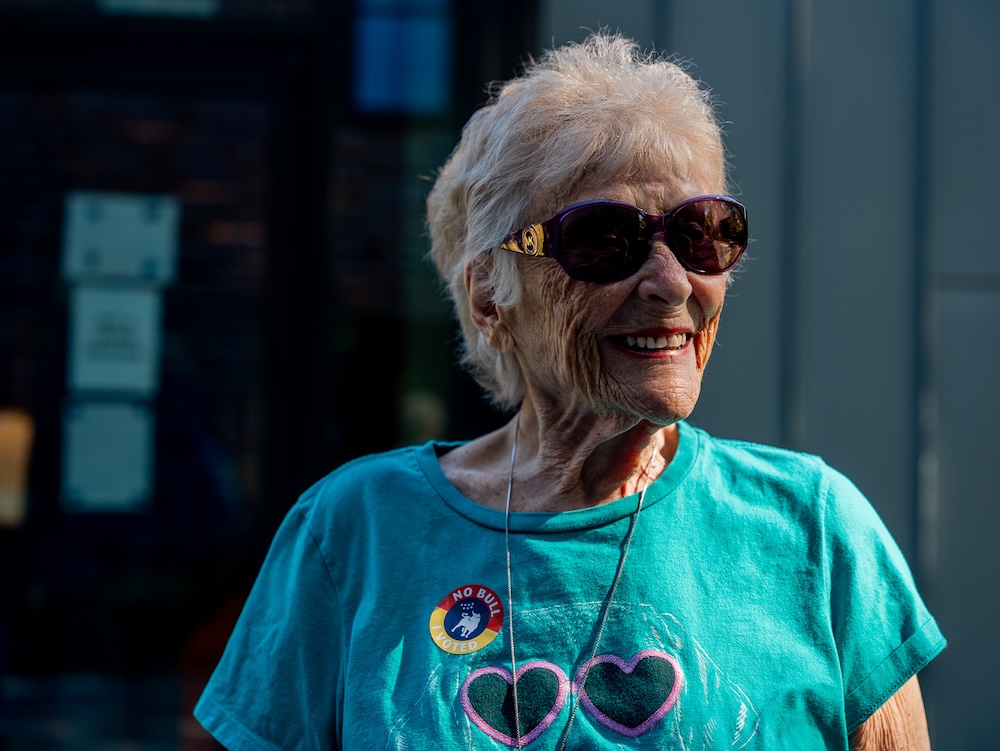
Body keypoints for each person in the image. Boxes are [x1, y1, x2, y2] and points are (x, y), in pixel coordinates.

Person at [194, 33, 944, 749]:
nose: (673, 281)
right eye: (603, 240)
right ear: (491, 293)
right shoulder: (353, 532)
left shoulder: (813, 530)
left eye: (701, 232)